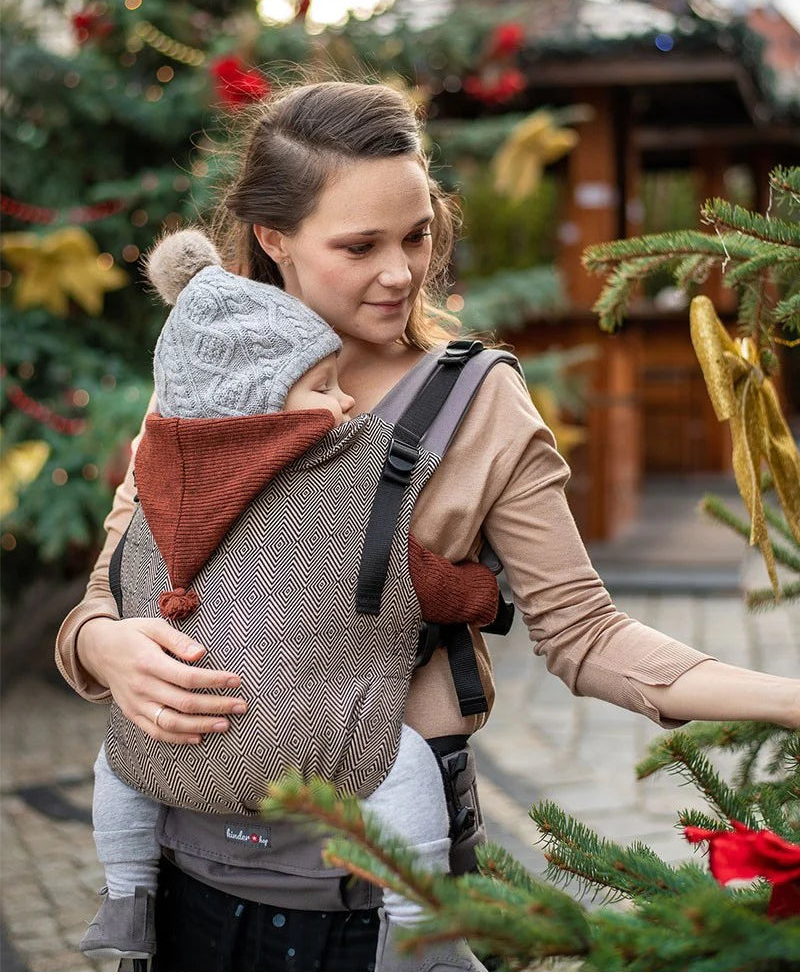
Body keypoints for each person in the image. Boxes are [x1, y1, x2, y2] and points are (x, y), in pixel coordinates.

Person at [57, 80, 800, 972]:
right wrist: (106, 649)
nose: (402, 272)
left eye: (416, 235)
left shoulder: (479, 403)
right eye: (360, 246)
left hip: (376, 889)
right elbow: (108, 590)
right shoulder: (204, 376)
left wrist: (788, 701)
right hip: (185, 879)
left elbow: (587, 636)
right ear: (272, 238)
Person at [79, 227, 498, 970]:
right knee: (400, 769)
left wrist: (103, 637)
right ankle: (420, 929)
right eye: (323, 386)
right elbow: (416, 576)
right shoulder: (341, 485)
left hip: (180, 733)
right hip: (325, 736)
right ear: (265, 402)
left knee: (117, 767)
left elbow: (118, 577)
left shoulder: (161, 474)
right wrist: (481, 592)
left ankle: (126, 893)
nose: (344, 402)